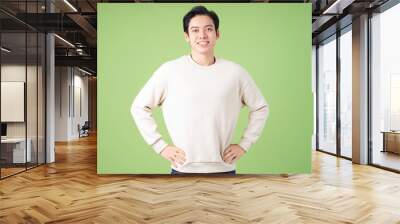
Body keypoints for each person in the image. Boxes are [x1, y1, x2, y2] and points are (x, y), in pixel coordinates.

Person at [131, 6, 269, 175]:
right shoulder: (169, 71)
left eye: (208, 29)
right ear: (187, 36)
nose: (202, 35)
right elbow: (139, 107)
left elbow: (261, 108)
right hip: (182, 170)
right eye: (195, 30)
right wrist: (160, 146)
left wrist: (244, 145)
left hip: (224, 169)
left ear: (217, 34)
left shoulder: (235, 72)